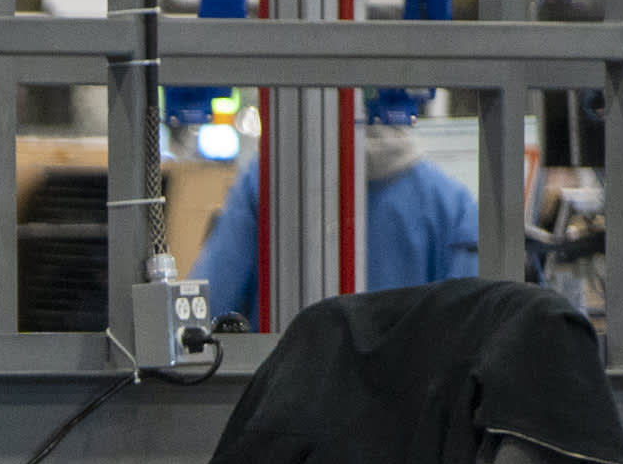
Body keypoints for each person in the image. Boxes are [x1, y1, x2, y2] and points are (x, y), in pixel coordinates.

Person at [190, 87, 478, 329]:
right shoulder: (451, 204)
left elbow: (208, 306)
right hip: (405, 392)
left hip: (292, 387)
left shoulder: (267, 178)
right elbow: (465, 329)